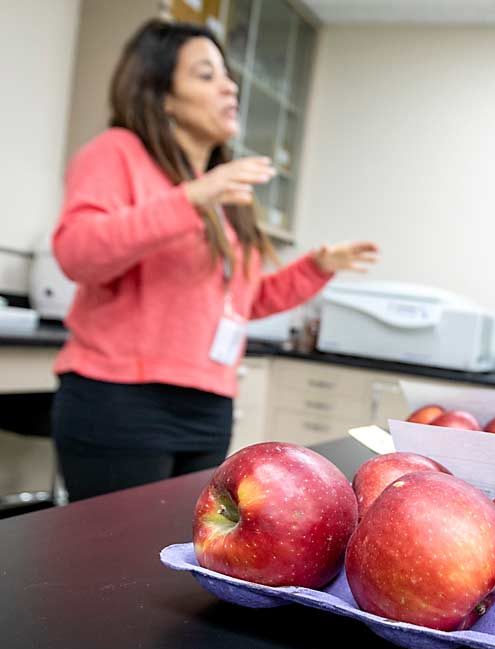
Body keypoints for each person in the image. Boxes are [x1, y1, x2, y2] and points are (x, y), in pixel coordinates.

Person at [50, 19, 379, 502]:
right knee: (114, 570)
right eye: (206, 75)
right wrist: (192, 198)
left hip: (208, 405)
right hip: (122, 399)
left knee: (178, 559)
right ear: (161, 95)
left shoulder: (220, 192)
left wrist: (317, 267)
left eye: (227, 75)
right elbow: (79, 254)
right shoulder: (118, 153)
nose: (230, 86)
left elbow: (241, 301)